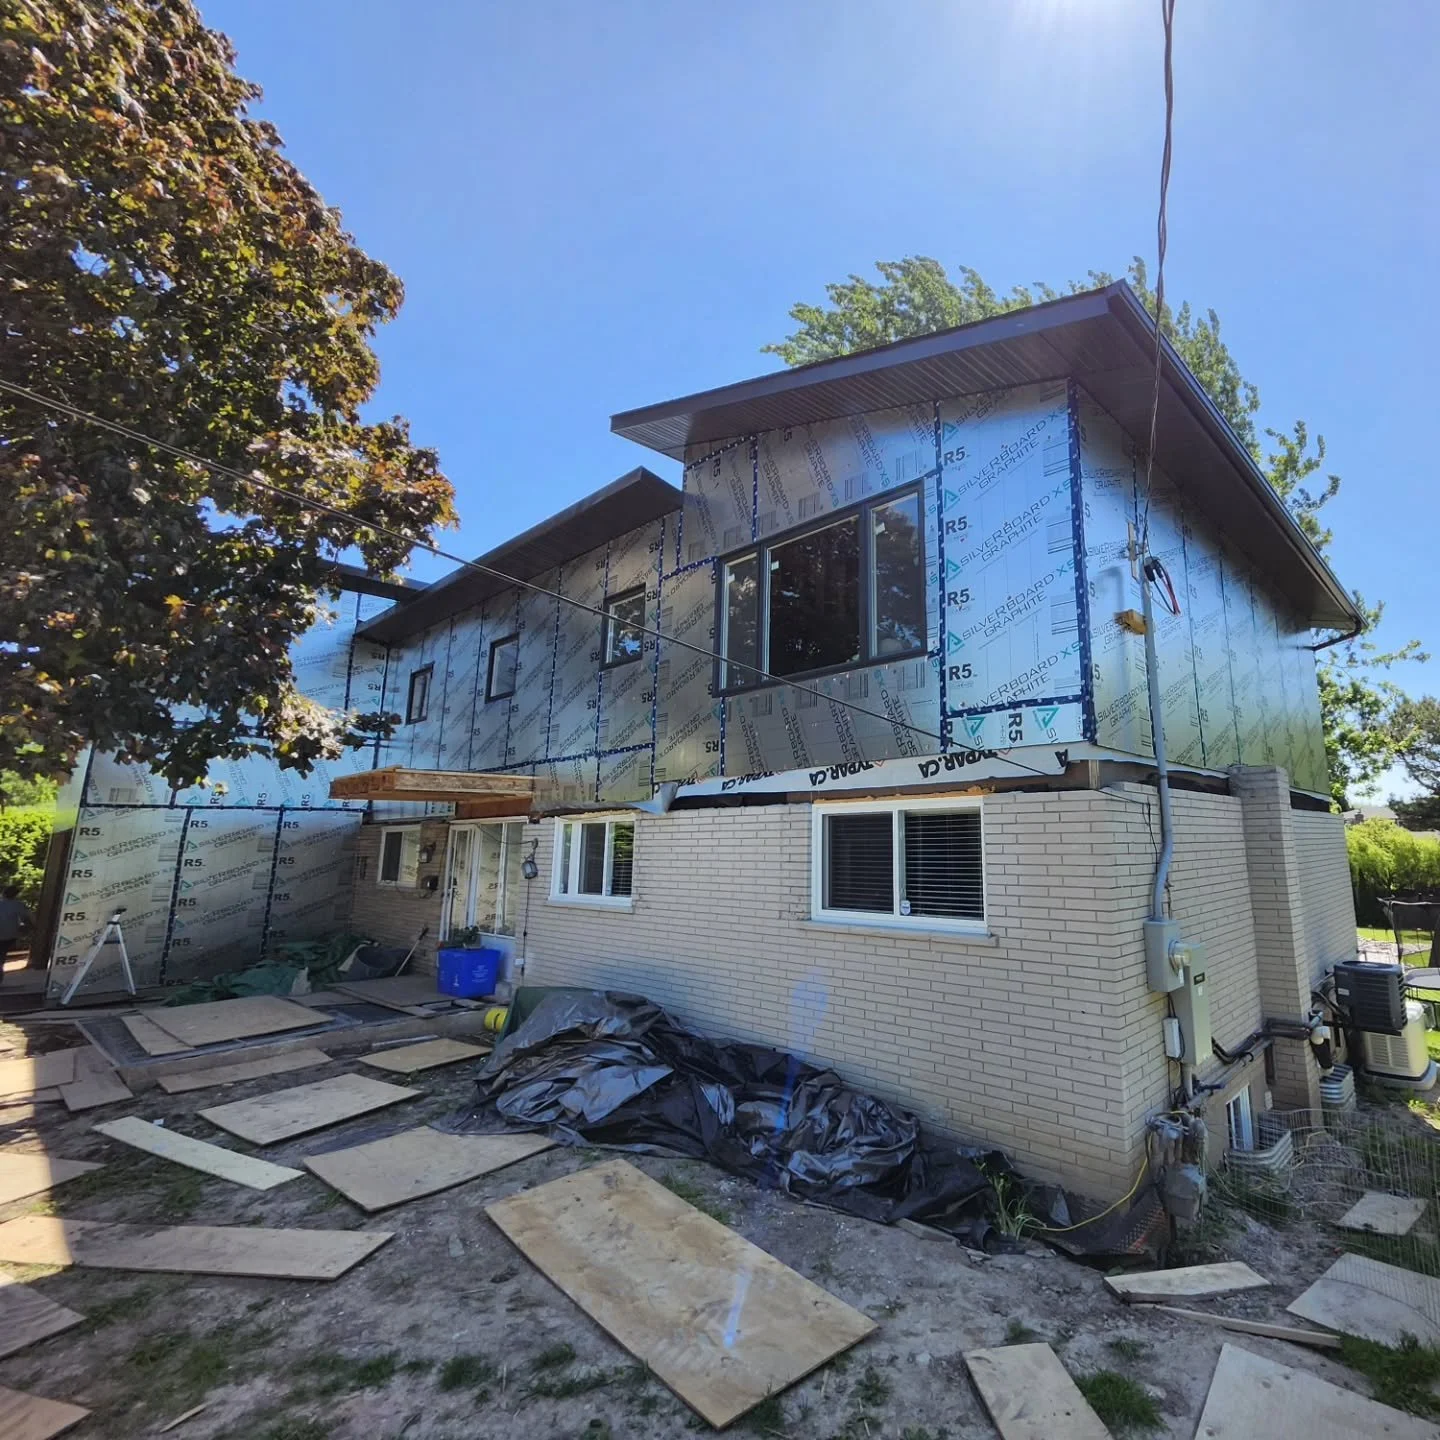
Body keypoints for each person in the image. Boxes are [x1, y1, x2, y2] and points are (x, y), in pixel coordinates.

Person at [0, 885, 35, 982]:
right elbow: (27, 918)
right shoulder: (18, 905)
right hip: (9, 935)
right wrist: (31, 928)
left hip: (5, 934)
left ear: (3, 893)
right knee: (2, 955)